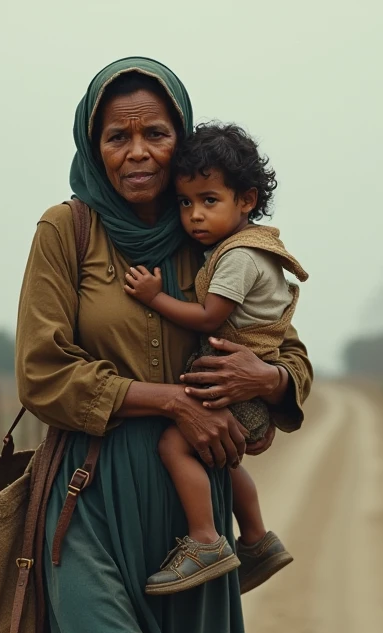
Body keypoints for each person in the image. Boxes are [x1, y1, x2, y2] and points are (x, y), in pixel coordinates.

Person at [16, 57, 313, 633]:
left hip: (193, 520)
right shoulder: (66, 234)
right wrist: (165, 404)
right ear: (91, 145)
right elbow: (43, 372)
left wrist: (270, 385)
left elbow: (286, 346)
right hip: (89, 500)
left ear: (179, 141)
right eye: (118, 134)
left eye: (153, 133)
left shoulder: (212, 228)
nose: (137, 152)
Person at [123, 122, 308, 595]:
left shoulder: (239, 257)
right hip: (239, 387)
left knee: (174, 445)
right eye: (185, 203)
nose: (194, 217)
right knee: (225, 466)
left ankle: (206, 539)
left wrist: (153, 296)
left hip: (234, 386)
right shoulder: (246, 247)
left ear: (246, 200)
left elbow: (208, 317)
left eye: (209, 201)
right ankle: (256, 540)